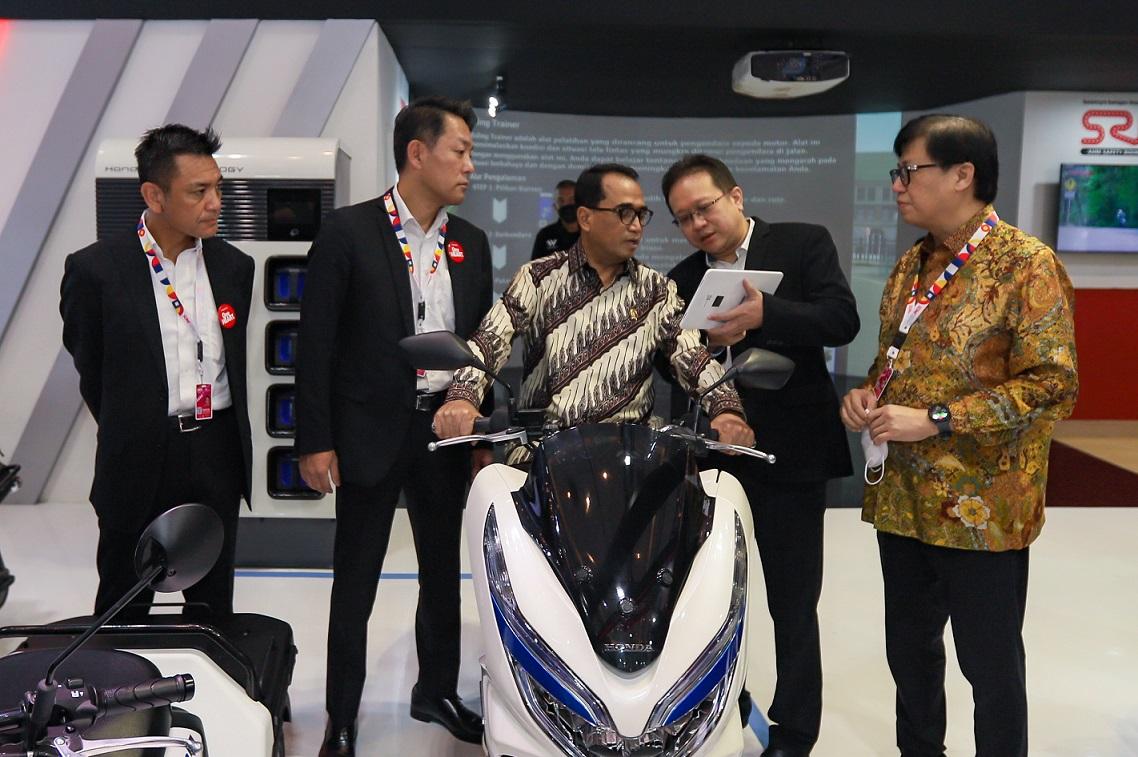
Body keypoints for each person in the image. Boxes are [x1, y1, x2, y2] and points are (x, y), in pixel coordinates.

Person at [840, 114, 1078, 757]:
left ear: (961, 175)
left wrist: (938, 419)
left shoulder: (1027, 266)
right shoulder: (910, 265)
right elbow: (892, 362)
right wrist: (867, 396)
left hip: (983, 508)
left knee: (989, 665)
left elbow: (1053, 386)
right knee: (909, 655)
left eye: (907, 171)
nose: (897, 185)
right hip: (903, 500)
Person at [295, 96, 494, 755]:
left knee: (442, 571)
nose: (469, 165)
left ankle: (435, 689)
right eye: (459, 150)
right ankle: (341, 716)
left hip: (443, 432)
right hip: (368, 431)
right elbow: (315, 343)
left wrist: (478, 430)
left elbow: (480, 345)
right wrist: (315, 440)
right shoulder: (349, 232)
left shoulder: (470, 242)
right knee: (356, 580)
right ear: (417, 153)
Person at [663, 154, 859, 756]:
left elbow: (841, 319)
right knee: (713, 596)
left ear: (736, 197)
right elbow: (671, 367)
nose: (697, 224)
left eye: (704, 208)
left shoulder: (801, 244)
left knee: (794, 601)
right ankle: (724, 704)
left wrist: (766, 313)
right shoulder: (680, 278)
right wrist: (701, 343)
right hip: (714, 456)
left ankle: (795, 731)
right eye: (683, 218)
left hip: (792, 453)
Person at [60, 124, 253, 618]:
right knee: (123, 603)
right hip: (140, 452)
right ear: (154, 195)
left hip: (216, 448)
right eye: (198, 191)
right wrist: (135, 422)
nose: (215, 203)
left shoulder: (235, 266)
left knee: (212, 608)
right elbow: (92, 369)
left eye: (218, 188)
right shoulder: (97, 271)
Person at [433, 162, 754, 451]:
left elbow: (692, 355)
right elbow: (490, 341)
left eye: (641, 214)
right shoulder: (537, 279)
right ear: (586, 218)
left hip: (632, 458)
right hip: (542, 457)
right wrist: (462, 397)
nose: (636, 225)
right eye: (624, 213)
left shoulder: (657, 289)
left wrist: (726, 410)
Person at [530, 178, 579, 259]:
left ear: (581, 203)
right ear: (555, 206)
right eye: (561, 200)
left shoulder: (593, 234)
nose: (566, 204)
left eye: (571, 199)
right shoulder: (545, 235)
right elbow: (535, 266)